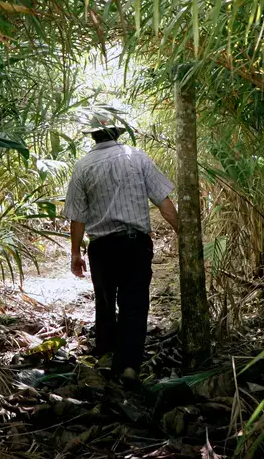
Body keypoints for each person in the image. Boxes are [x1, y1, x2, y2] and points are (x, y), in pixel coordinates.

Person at [63, 111, 179, 385]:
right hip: (135, 244)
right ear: (118, 133)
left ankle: (105, 359)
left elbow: (77, 216)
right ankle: (128, 367)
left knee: (105, 304)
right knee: (135, 304)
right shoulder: (137, 157)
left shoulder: (83, 166)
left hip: (101, 247)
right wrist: (182, 232)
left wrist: (75, 254)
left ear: (93, 136)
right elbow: (164, 203)